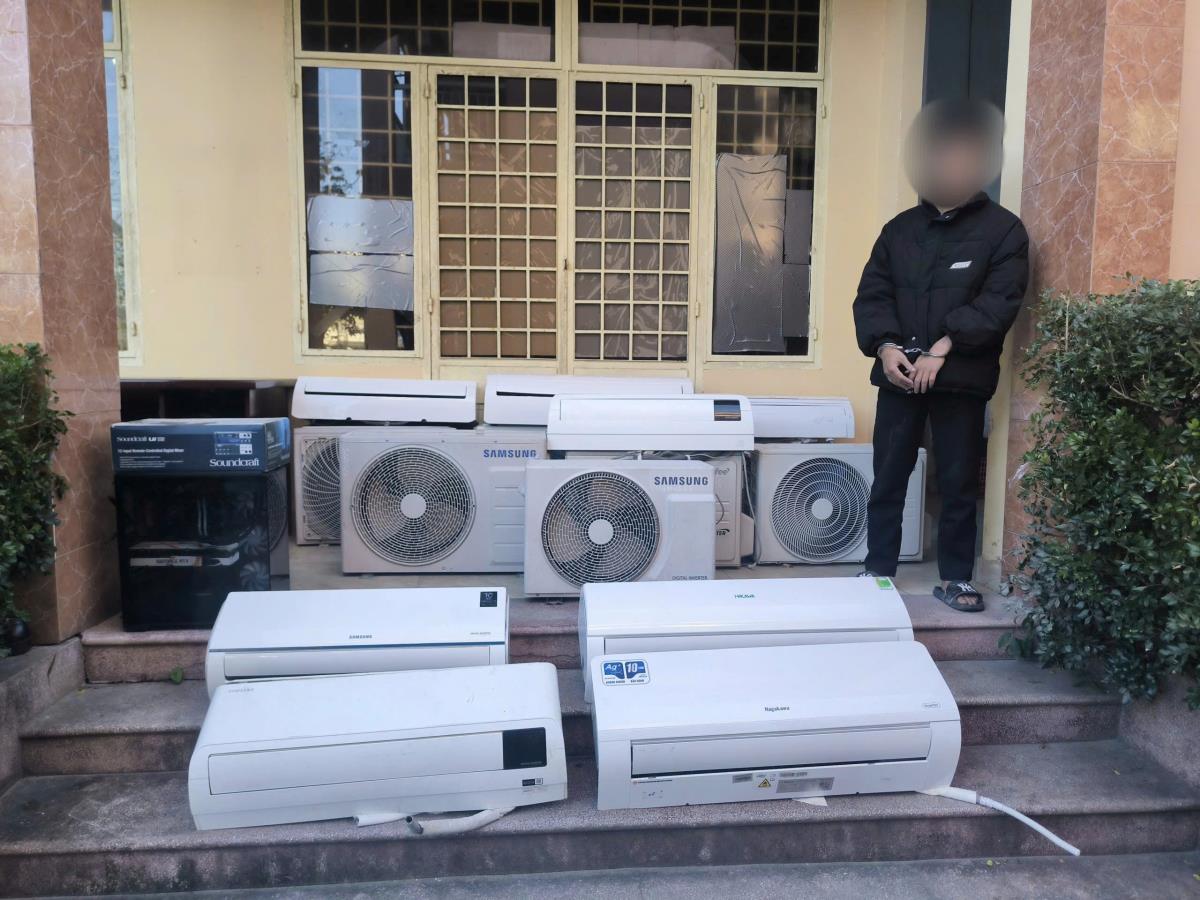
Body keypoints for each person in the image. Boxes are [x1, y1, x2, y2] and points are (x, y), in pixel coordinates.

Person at [852, 99, 1028, 612]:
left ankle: (956, 578)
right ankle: (877, 571)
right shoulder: (900, 230)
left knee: (957, 481)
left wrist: (943, 348)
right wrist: (886, 347)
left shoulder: (1003, 231)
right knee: (889, 476)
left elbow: (999, 302)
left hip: (960, 379)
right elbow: (873, 295)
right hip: (899, 377)